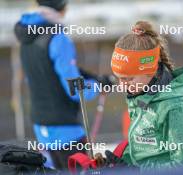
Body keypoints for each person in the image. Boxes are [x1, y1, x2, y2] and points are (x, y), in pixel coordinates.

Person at [78, 21, 183, 173]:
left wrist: (135, 170)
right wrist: (119, 161)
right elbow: (145, 152)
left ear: (149, 70)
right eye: (120, 78)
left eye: (129, 78)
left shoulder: (178, 107)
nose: (123, 85)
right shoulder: (142, 96)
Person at [14, 0, 112, 169]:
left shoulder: (26, 34)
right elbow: (76, 91)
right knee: (83, 170)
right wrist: (99, 86)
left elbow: (42, 74)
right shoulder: (58, 39)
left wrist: (91, 77)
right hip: (65, 128)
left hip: (41, 125)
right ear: (61, 7)